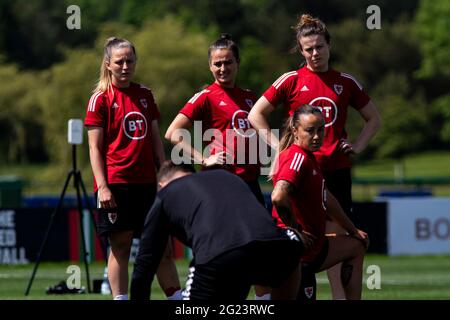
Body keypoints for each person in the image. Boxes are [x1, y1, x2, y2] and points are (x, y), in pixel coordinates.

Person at [248, 14, 381, 299]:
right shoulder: (291, 80)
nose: (314, 53)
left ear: (329, 45)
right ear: (301, 50)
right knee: (303, 245)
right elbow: (255, 114)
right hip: (300, 175)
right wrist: (279, 148)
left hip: (336, 171)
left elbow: (374, 119)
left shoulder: (345, 82)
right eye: (308, 49)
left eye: (319, 46)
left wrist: (357, 145)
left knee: (341, 240)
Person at [165, 34, 270, 299]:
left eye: (228, 62)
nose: (223, 68)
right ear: (210, 66)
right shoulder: (205, 97)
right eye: (217, 64)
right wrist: (203, 159)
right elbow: (173, 132)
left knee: (257, 244)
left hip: (248, 184)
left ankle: (263, 300)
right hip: (219, 186)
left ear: (238, 63)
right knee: (217, 245)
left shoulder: (249, 98)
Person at [84, 37, 181, 300]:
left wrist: (165, 172)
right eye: (119, 61)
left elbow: (154, 138)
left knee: (161, 247)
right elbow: (94, 148)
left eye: (130, 60)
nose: (125, 66)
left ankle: (177, 299)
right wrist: (102, 187)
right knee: (121, 245)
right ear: (108, 64)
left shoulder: (145, 95)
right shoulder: (100, 99)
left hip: (148, 184)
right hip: (116, 184)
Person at [130, 161, 303, 300]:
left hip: (220, 255)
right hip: (283, 248)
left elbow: (145, 265)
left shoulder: (164, 195)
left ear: (161, 184)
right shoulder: (226, 177)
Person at [270, 105, 369, 300]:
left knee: (357, 245)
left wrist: (352, 230)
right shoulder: (297, 157)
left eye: (320, 130)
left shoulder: (309, 157)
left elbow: (327, 199)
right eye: (310, 130)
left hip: (315, 247)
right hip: (298, 254)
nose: (316, 136)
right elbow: (278, 196)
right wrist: (295, 231)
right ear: (295, 131)